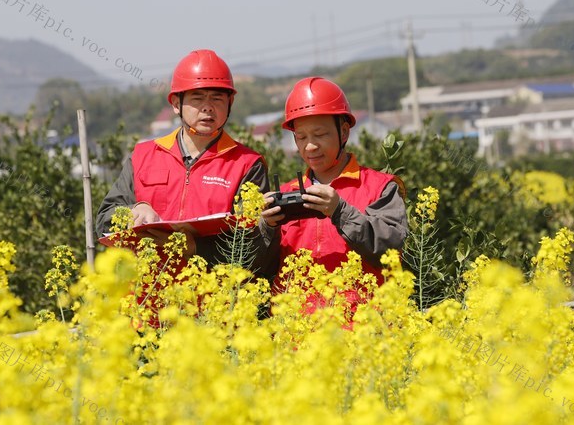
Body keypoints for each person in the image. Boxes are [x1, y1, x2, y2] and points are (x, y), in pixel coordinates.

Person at [95, 49, 268, 265]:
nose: (208, 107)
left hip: (213, 296)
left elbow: (259, 245)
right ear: (176, 104)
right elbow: (103, 220)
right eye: (197, 98)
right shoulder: (142, 156)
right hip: (147, 294)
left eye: (217, 98)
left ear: (230, 102)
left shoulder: (248, 164)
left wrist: (196, 248)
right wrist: (134, 211)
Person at [257, 77, 407, 292]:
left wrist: (340, 212)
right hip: (296, 323)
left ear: (344, 132)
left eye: (320, 134)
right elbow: (261, 269)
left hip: (363, 322)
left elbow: (389, 250)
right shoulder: (285, 194)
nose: (310, 146)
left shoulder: (381, 187)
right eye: (301, 137)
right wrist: (267, 229)